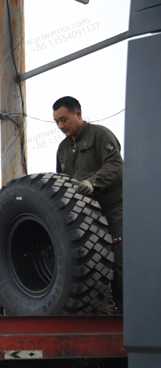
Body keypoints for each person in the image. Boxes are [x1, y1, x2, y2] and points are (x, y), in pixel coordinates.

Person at [53, 96, 123, 311]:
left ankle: (128, 313)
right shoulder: (62, 149)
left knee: (118, 260)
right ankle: (96, 309)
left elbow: (115, 164)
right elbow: (60, 182)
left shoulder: (100, 135)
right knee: (82, 263)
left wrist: (93, 183)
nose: (61, 126)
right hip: (83, 218)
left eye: (64, 119)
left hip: (112, 210)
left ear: (78, 114)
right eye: (56, 122)